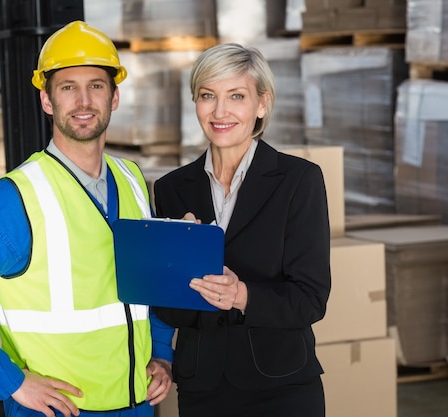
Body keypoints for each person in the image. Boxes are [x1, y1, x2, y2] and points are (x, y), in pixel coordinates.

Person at [0, 20, 174, 417]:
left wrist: (163, 353)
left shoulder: (131, 179)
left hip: (136, 404)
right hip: (58, 410)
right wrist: (11, 382)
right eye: (68, 88)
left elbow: (151, 282)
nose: (84, 101)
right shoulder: (17, 198)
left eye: (96, 86)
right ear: (47, 101)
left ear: (114, 98)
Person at [152, 43, 331, 417]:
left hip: (281, 388)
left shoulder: (298, 181)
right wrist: (176, 265)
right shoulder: (172, 189)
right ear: (195, 103)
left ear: (261, 104)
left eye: (236, 96)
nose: (220, 112)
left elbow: (310, 299)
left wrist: (242, 295)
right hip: (203, 388)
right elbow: (171, 312)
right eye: (207, 96)